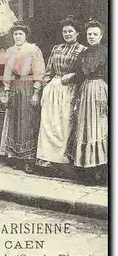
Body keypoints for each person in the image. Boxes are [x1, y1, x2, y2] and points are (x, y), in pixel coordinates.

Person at [36, 15, 87, 167]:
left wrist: (73, 76)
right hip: (53, 88)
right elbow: (48, 70)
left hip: (70, 90)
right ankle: (46, 158)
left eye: (70, 31)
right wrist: (43, 89)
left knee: (64, 124)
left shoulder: (82, 50)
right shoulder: (57, 48)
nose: (67, 34)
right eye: (65, 31)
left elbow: (84, 73)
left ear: (77, 33)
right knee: (48, 123)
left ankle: (62, 159)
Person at [0, 21, 45, 173]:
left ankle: (28, 159)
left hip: (28, 86)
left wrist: (36, 93)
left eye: (20, 34)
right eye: (15, 34)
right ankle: (17, 157)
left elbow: (39, 71)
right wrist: (6, 92)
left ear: (26, 35)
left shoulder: (33, 49)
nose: (18, 36)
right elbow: (7, 72)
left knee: (28, 121)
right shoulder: (10, 51)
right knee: (15, 121)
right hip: (15, 87)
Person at [69, 19, 108, 183]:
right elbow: (79, 75)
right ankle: (87, 170)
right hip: (85, 91)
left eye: (95, 34)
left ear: (101, 36)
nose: (92, 37)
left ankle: (101, 169)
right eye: (89, 34)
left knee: (99, 127)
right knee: (84, 127)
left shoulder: (106, 52)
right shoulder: (83, 54)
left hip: (99, 90)